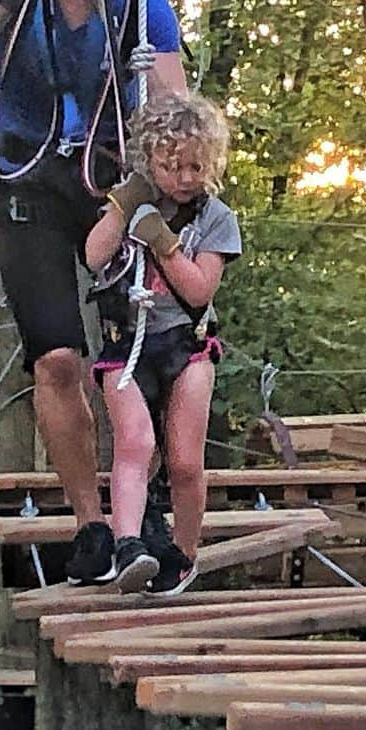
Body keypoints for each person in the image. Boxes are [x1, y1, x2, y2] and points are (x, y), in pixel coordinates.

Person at [0, 0, 186, 586]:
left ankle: (135, 520)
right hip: (27, 181)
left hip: (112, 185)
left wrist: (166, 179)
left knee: (137, 353)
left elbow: (177, 101)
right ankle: (89, 522)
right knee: (56, 358)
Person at [85, 92, 241, 594]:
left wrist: (163, 243)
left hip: (186, 345)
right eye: (172, 166)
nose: (184, 177)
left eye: (196, 166)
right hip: (126, 344)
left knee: (183, 460)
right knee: (135, 443)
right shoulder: (132, 200)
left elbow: (199, 290)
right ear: (150, 161)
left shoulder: (215, 218)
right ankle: (128, 543)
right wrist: (121, 211)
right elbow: (93, 257)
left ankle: (184, 552)